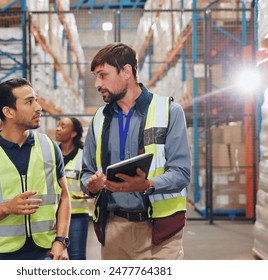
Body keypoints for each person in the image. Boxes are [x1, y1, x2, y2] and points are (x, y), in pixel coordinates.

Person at [80, 42, 191, 260]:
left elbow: (182, 173)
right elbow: (86, 171)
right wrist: (90, 185)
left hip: (161, 232)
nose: (96, 84)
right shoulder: (99, 119)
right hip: (114, 229)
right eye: (95, 76)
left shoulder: (169, 112)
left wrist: (148, 185)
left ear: (127, 71)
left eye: (103, 75)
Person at [0, 77, 71, 260]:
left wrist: (61, 241)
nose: (38, 107)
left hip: (46, 254)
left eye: (35, 99)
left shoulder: (49, 147)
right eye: (29, 102)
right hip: (0, 258)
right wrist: (7, 208)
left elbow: (65, 196)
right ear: (8, 112)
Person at [55, 117, 90, 260]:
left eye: (63, 126)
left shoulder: (84, 156)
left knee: (76, 258)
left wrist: (89, 193)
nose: (58, 129)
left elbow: (91, 180)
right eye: (58, 125)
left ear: (73, 133)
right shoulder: (51, 154)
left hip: (77, 216)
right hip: (54, 216)